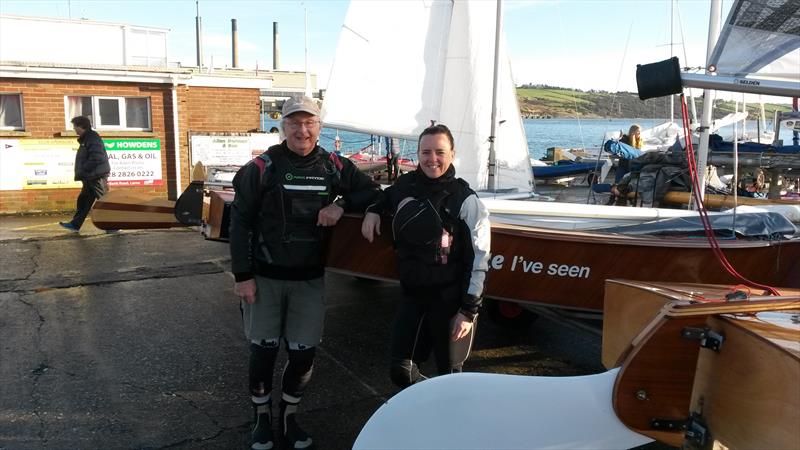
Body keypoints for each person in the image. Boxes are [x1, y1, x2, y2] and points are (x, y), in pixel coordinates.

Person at [229, 95, 380, 450]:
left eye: (309, 122)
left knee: (302, 355)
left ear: (319, 127)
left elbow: (371, 192)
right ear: (283, 127)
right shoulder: (262, 168)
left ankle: (289, 415)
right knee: (263, 352)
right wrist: (242, 276)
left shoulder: (334, 166)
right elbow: (239, 223)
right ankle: (261, 417)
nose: (302, 129)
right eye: (294, 123)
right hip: (264, 279)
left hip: (309, 281)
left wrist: (341, 204)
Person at [361, 124, 491, 389]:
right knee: (401, 371)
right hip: (413, 296)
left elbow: (479, 259)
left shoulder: (466, 200)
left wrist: (468, 311)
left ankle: (449, 422)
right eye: (426, 152)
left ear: (452, 154)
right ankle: (425, 404)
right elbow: (386, 196)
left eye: (440, 152)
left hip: (450, 301)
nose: (432, 159)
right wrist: (374, 210)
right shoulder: (405, 185)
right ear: (418, 154)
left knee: (450, 378)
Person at [59, 116, 111, 232]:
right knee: (84, 201)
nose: (74, 129)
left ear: (82, 126)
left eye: (75, 127)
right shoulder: (87, 138)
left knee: (105, 201)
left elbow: (97, 157)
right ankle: (75, 225)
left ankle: (113, 225)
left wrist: (84, 169)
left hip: (96, 176)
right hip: (90, 177)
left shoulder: (92, 138)